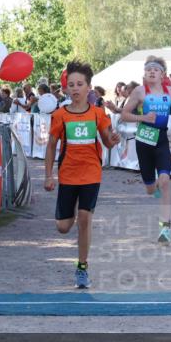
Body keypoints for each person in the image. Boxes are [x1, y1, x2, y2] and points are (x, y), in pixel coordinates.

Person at [43, 61, 121, 288]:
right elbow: (50, 145)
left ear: (89, 88)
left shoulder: (98, 114)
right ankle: (75, 217)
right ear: (66, 89)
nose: (75, 88)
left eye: (79, 84)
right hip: (68, 175)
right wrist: (49, 176)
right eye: (71, 85)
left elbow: (107, 142)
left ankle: (82, 267)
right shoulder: (60, 115)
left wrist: (112, 140)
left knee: (85, 218)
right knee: (63, 227)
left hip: (91, 174)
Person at [120, 56, 171, 244]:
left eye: (155, 69)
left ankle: (165, 228)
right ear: (144, 73)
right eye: (148, 69)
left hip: (162, 140)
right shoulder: (140, 92)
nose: (151, 72)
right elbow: (124, 115)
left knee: (165, 181)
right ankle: (152, 185)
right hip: (144, 141)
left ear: (162, 74)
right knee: (150, 189)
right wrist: (143, 118)